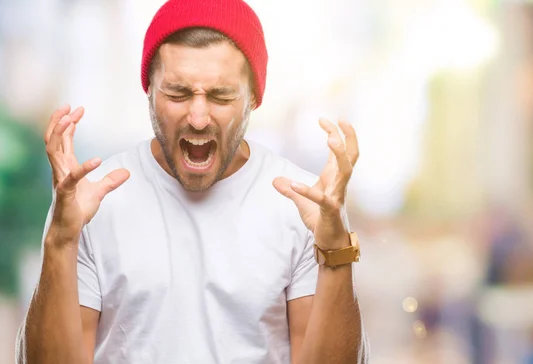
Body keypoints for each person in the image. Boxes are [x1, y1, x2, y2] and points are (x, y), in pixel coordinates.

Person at [15, 0, 367, 363]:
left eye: (221, 95)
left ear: (253, 99)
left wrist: (335, 249)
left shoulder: (304, 204)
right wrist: (60, 239)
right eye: (178, 93)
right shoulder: (92, 202)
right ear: (149, 92)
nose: (198, 117)